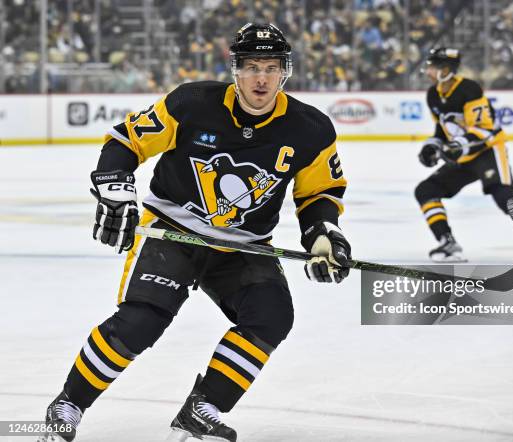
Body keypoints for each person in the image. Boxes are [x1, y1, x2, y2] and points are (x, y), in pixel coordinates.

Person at [39, 23, 351, 442]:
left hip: (244, 245)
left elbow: (320, 193)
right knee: (141, 321)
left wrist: (322, 233)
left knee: (271, 316)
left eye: (271, 67)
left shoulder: (310, 129)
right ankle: (68, 403)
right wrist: (116, 189)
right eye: (252, 66)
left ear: (285, 72)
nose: (262, 78)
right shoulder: (192, 103)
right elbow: (126, 142)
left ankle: (201, 409)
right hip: (172, 232)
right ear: (235, 69)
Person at [414, 47, 513, 262]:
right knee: (425, 190)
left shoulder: (469, 89)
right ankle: (448, 243)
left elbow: (487, 128)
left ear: (445, 69)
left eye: (432, 66)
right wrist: (433, 146)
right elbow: (442, 128)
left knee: (503, 194)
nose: (427, 71)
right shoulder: (433, 95)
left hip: (488, 151)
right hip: (464, 156)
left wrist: (458, 144)